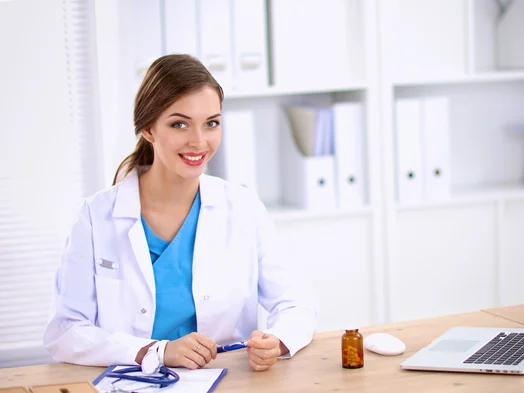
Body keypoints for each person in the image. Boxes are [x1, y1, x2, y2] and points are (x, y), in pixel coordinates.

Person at [43, 54, 318, 372]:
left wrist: (278, 339)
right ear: (148, 128)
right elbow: (64, 331)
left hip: (226, 380)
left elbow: (296, 303)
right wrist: (155, 352)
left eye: (211, 123)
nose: (199, 142)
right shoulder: (96, 217)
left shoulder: (242, 207)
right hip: (132, 383)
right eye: (179, 124)